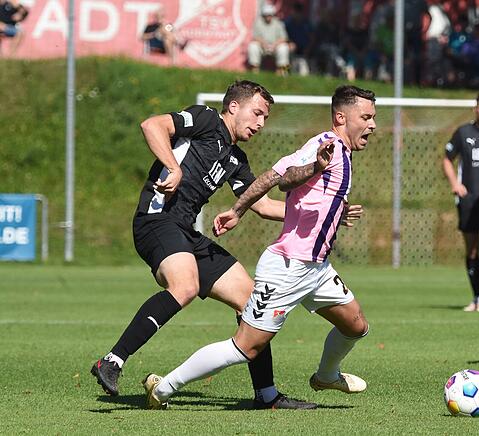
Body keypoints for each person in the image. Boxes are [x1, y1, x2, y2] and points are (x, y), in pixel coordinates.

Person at [91, 80, 326, 410]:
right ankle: (112, 361)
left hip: (185, 231)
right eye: (257, 113)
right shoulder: (205, 120)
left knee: (251, 301)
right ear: (234, 107)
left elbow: (261, 204)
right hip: (156, 219)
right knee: (184, 286)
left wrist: (320, 212)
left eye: (265, 118)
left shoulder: (235, 157)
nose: (260, 123)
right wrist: (172, 167)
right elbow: (152, 125)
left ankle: (266, 395)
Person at [142, 85, 377, 409]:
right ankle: (163, 387)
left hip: (318, 268)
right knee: (245, 348)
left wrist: (238, 210)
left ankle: (326, 376)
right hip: (288, 267)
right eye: (366, 117)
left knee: (356, 325)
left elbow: (267, 178)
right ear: (341, 117)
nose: (372, 125)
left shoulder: (345, 153)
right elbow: (284, 178)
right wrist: (314, 168)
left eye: (373, 117)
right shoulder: (327, 147)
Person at [441, 92, 479, 313]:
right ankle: (476, 296)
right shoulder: (463, 132)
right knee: (471, 248)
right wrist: (455, 183)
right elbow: (447, 158)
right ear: (476, 109)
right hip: (468, 198)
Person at [248, 3, 291, 75]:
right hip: (262, 47)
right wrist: (263, 43)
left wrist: (275, 45)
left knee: (284, 47)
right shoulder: (258, 23)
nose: (268, 17)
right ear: (263, 15)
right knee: (253, 46)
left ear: (272, 15)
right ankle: (255, 69)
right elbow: (255, 37)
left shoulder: (278, 23)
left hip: (275, 46)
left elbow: (284, 38)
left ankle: (281, 71)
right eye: (266, 15)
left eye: (269, 14)